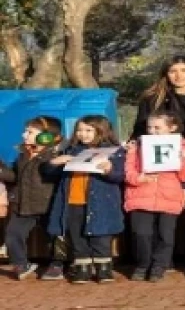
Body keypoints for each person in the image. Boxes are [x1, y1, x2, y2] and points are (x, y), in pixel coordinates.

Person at [46, 116, 127, 285]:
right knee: (76, 235)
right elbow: (49, 174)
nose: (83, 134)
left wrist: (109, 170)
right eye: (80, 130)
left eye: (88, 130)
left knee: (101, 235)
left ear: (101, 131)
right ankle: (82, 267)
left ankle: (103, 268)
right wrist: (55, 163)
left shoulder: (114, 151)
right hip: (73, 201)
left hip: (101, 203)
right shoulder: (70, 150)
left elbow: (119, 176)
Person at [124, 111, 185, 282]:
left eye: (158, 127)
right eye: (150, 127)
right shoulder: (137, 147)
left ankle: (159, 266)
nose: (153, 131)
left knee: (166, 235)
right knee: (141, 233)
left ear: (172, 128)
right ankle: (143, 264)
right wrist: (138, 179)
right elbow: (128, 170)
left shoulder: (182, 147)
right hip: (141, 196)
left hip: (168, 197)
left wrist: (184, 158)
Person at [1, 116, 63, 280]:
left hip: (47, 204)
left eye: (29, 131)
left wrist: (44, 155)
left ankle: (57, 264)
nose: (24, 135)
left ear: (46, 136)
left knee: (54, 237)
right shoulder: (23, 155)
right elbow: (15, 176)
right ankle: (21, 264)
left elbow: (52, 173)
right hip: (23, 205)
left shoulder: (54, 155)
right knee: (12, 234)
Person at [130, 55, 185, 141]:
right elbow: (140, 130)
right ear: (166, 75)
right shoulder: (152, 100)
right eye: (173, 71)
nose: (179, 76)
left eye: (184, 71)